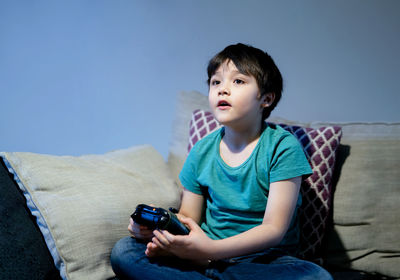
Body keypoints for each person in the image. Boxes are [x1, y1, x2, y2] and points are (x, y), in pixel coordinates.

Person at [110, 43, 333, 280]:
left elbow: (273, 229)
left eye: (238, 81)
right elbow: (189, 218)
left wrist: (210, 251)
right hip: (202, 254)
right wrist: (156, 232)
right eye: (216, 82)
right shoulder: (202, 151)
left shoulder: (282, 147)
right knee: (123, 250)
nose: (222, 90)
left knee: (316, 277)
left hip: (263, 260)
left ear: (266, 99)